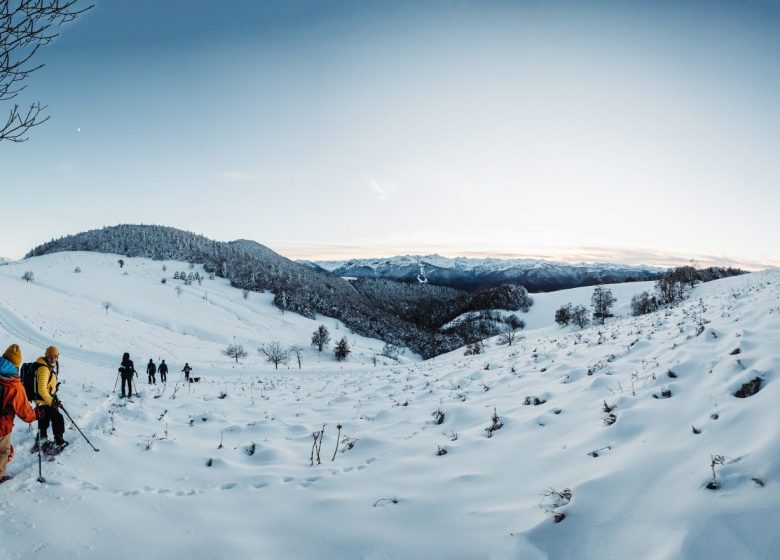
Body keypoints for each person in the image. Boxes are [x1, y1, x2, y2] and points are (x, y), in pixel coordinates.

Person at [0, 344, 41, 480]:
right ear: (17, 364)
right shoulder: (14, 385)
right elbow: (24, 412)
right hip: (2, 426)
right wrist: (35, 415)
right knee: (2, 451)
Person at [32, 346, 67, 453]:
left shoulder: (47, 366)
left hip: (43, 401)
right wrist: (52, 402)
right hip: (45, 401)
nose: (52, 358)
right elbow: (41, 389)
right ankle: (59, 442)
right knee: (58, 419)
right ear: (46, 355)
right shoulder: (44, 369)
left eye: (55, 356)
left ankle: (41, 440)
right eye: (50, 355)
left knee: (44, 420)